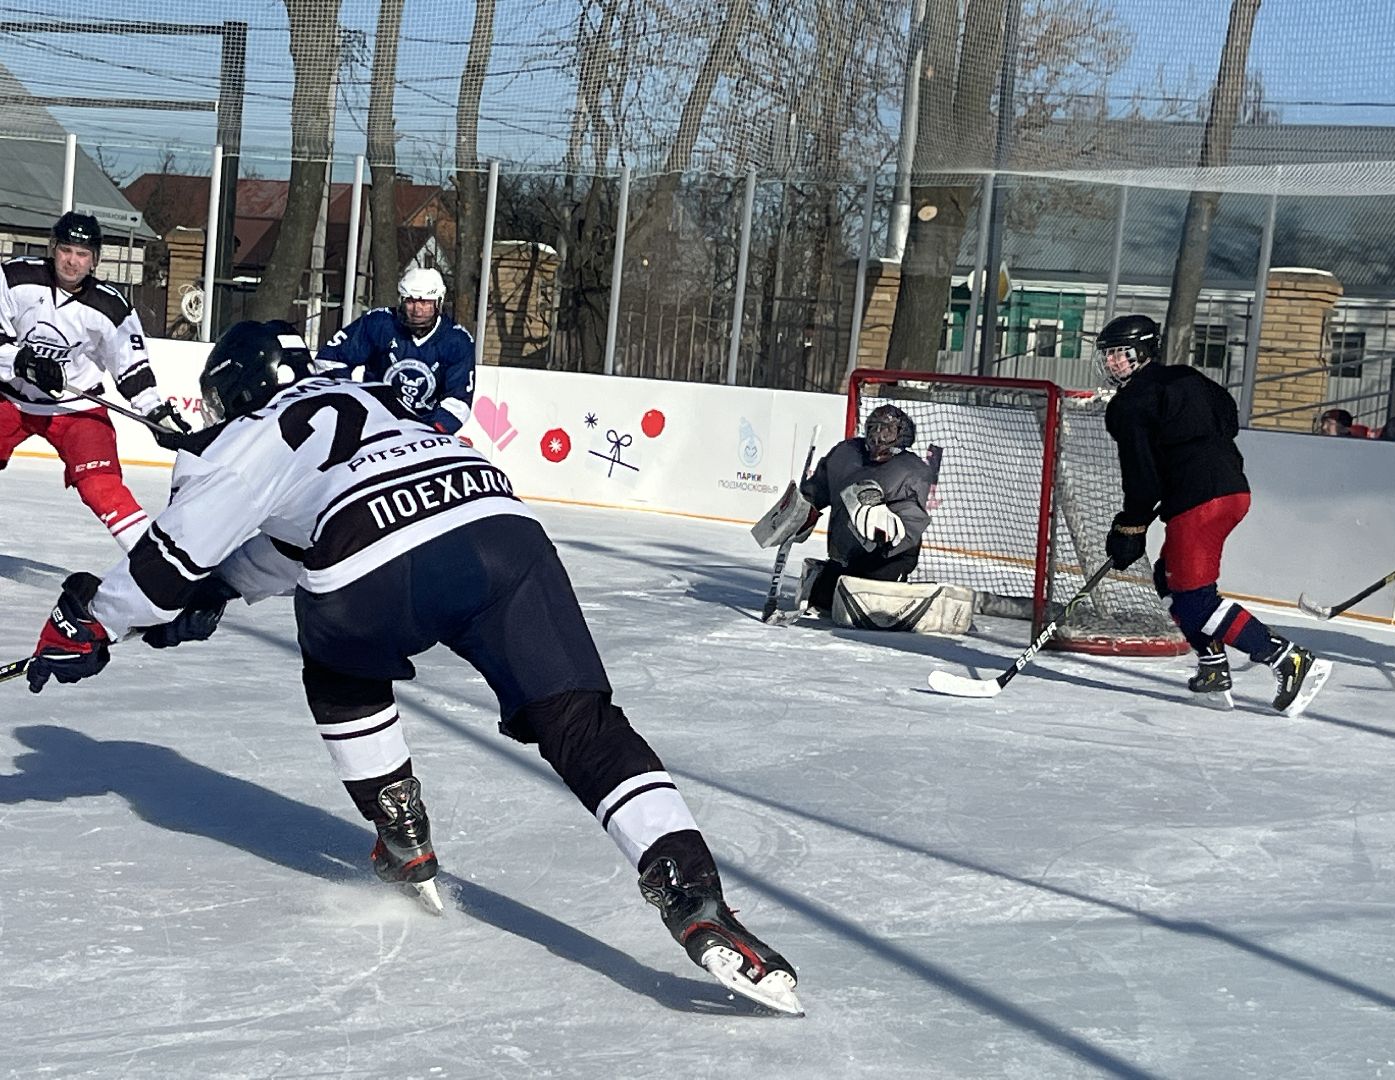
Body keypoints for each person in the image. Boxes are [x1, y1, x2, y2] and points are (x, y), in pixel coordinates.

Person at [21, 320, 801, 1015]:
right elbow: (280, 548)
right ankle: (691, 888)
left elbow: (168, 564)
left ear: (237, 390)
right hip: (500, 530)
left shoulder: (245, 433)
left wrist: (91, 621)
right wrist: (216, 589)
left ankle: (400, 830)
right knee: (581, 722)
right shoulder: (376, 394)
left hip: (372, 560)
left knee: (339, 664)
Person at [1095, 313, 1331, 716]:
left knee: (1194, 599)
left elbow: (1141, 477)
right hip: (1232, 489)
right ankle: (1213, 668)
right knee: (1168, 578)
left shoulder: (1130, 403)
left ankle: (1288, 659)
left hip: (1200, 502)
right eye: (1109, 355)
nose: (1113, 362)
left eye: (1122, 353)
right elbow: (1228, 416)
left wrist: (1129, 527)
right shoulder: (1187, 377)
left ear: (1144, 352)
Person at [0, 211, 190, 549]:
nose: (72, 261)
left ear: (95, 260)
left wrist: (155, 412)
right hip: (10, 400)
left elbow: (132, 369)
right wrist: (22, 361)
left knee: (102, 486)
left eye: (82, 254)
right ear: (53, 248)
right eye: (65, 250)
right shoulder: (15, 277)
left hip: (75, 408)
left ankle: (155, 564)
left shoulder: (111, 307)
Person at [792, 404, 933, 615]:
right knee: (821, 600)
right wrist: (799, 508)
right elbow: (818, 489)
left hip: (886, 558)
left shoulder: (912, 470)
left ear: (901, 435)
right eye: (873, 429)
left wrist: (885, 522)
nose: (877, 437)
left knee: (867, 608)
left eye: (886, 431)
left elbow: (911, 519)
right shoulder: (846, 454)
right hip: (847, 555)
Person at [314, 266, 476, 435]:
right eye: (411, 301)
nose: (418, 310)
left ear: (438, 303)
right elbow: (329, 359)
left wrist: (430, 432)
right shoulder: (379, 323)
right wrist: (350, 404)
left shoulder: (457, 341)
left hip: (424, 430)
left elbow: (458, 401)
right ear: (401, 300)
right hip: (372, 423)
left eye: (426, 303)